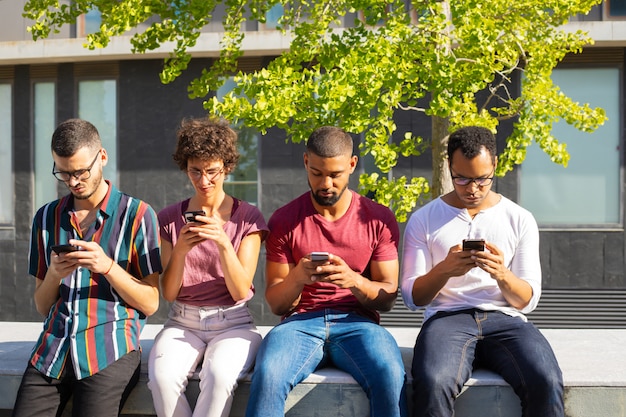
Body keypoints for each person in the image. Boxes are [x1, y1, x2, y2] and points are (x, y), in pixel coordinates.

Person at [401, 126, 564, 417]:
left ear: (495, 166)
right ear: (449, 166)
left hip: (506, 320)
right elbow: (413, 298)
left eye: (482, 179)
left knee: (547, 380)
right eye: (461, 178)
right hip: (447, 319)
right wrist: (445, 271)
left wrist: (502, 274)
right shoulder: (424, 220)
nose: (472, 189)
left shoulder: (519, 219)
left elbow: (527, 300)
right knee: (433, 382)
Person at [245, 126, 407, 417]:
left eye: (335, 174)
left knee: (390, 374)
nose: (326, 183)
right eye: (317, 173)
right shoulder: (285, 220)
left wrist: (353, 281)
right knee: (269, 374)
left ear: (352, 165)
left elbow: (388, 297)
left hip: (359, 323)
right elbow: (277, 304)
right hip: (299, 324)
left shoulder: (379, 219)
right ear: (306, 162)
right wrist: (298, 277)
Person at [12, 119, 162, 417]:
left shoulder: (138, 215)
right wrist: (54, 274)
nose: (72, 181)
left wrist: (107, 267)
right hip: (52, 351)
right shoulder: (46, 218)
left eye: (81, 171)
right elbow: (43, 306)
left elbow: (151, 302)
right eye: (63, 173)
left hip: (109, 348)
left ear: (102, 157)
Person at [147, 117, 268, 417]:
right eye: (195, 172)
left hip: (234, 322)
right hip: (182, 322)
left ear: (227, 167)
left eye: (212, 172)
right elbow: (170, 293)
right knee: (161, 378)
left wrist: (223, 242)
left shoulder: (248, 218)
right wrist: (182, 250)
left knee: (218, 377)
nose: (204, 181)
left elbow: (241, 290)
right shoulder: (168, 219)